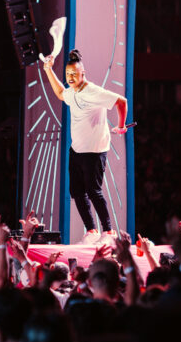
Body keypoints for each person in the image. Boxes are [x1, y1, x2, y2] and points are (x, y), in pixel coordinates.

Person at [43, 49, 128, 244]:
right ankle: (91, 231)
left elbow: (121, 102)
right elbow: (60, 93)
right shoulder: (72, 92)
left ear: (83, 73)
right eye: (68, 74)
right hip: (77, 149)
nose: (71, 77)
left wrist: (121, 125)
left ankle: (109, 232)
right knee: (76, 192)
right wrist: (48, 69)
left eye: (74, 74)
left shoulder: (93, 91)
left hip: (94, 151)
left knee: (93, 191)